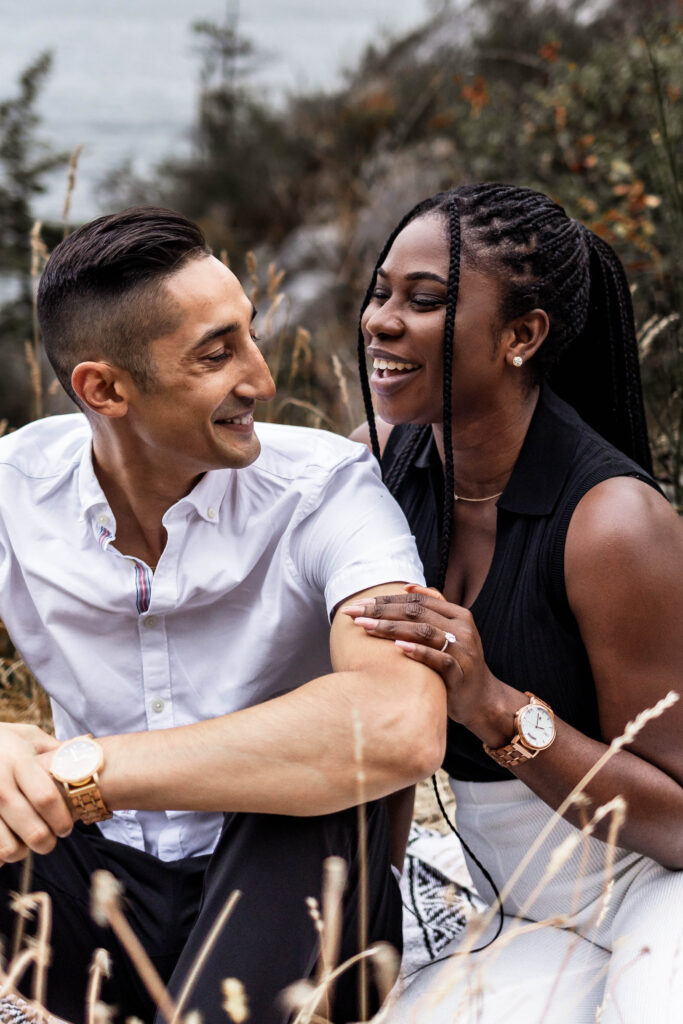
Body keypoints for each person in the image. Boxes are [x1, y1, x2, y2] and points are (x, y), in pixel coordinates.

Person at [0, 207, 447, 1024]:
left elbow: (399, 722)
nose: (262, 381)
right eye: (217, 354)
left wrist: (84, 772)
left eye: (249, 335)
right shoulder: (14, 487)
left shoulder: (329, 489)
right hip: (92, 905)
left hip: (307, 912)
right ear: (104, 389)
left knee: (310, 792)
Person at [344, 183, 683, 1022]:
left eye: (424, 301)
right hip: (526, 904)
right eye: (380, 293)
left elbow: (682, 825)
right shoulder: (375, 471)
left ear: (520, 336)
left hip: (658, 879)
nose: (382, 321)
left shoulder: (613, 526)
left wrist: (495, 709)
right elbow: (381, 754)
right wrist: (364, 932)